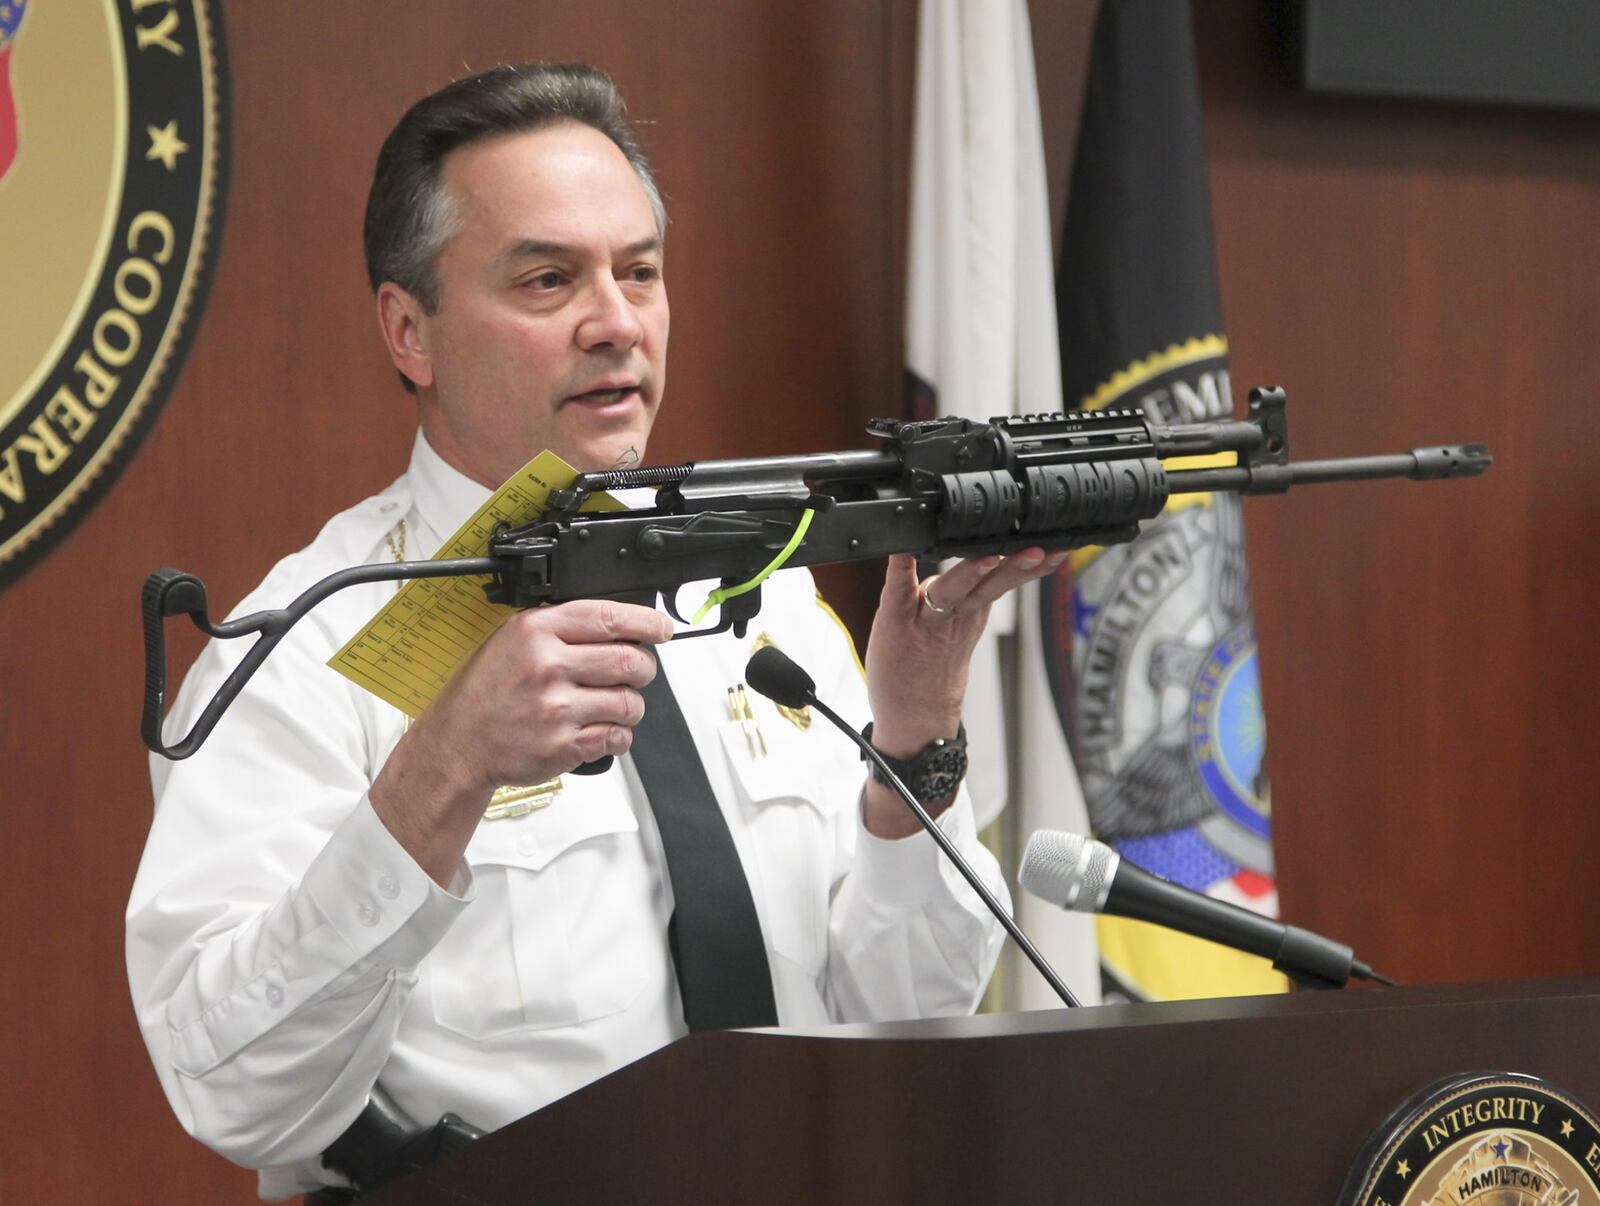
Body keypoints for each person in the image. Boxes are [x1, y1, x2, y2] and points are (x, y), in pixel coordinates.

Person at [126, 62, 1069, 1200]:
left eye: (639, 272)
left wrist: (915, 747)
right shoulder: (301, 649)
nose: (616, 323)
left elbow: (902, 1018)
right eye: (545, 280)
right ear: (409, 332)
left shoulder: (758, 598)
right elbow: (236, 1095)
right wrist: (444, 767)